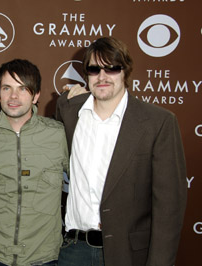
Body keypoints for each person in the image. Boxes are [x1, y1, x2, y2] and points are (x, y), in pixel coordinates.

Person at [56, 37, 187, 266]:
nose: (103, 76)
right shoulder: (68, 110)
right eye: (94, 69)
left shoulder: (158, 122)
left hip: (128, 254)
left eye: (112, 68)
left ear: (125, 71)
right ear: (86, 74)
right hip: (72, 250)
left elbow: (169, 209)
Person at [0, 59, 69, 266]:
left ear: (36, 96)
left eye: (22, 88)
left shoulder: (58, 134)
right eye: (7, 88)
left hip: (43, 257)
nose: (14, 96)